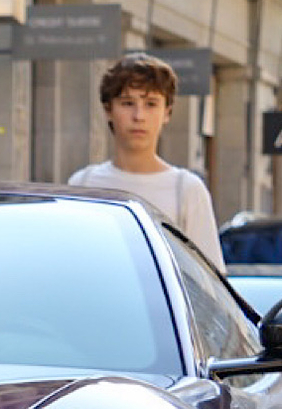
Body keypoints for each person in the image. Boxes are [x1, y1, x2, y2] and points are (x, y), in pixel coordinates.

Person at [68, 52, 223, 272]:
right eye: (127, 103)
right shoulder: (83, 184)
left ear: (166, 113)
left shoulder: (187, 190)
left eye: (151, 104)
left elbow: (210, 281)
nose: (139, 115)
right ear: (108, 110)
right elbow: (72, 263)